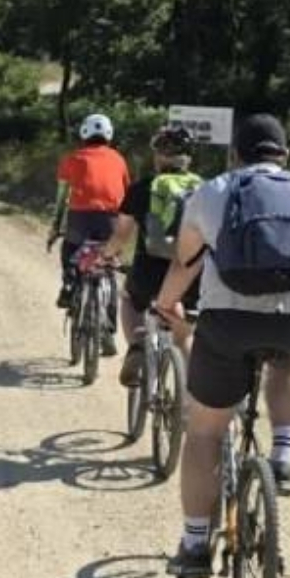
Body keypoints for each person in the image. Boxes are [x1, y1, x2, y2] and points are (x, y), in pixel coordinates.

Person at [155, 114, 290, 577]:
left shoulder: (212, 191)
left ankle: (195, 546)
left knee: (205, 433)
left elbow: (185, 260)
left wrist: (166, 306)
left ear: (235, 154)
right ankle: (284, 453)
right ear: (285, 155)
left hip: (229, 321)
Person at [110, 122, 204, 388]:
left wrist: (108, 255)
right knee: (184, 329)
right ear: (189, 156)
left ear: (158, 156)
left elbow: (121, 235)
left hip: (148, 272)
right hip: (192, 274)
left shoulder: (143, 187)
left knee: (128, 298)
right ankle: (194, 393)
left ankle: (138, 344)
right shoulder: (207, 189)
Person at [54, 113, 131, 345]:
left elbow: (61, 198)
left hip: (80, 219)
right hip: (110, 220)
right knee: (108, 266)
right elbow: (126, 195)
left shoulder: (72, 158)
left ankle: (69, 282)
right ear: (109, 134)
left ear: (84, 134)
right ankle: (108, 334)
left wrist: (55, 226)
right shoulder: (119, 159)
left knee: (70, 250)